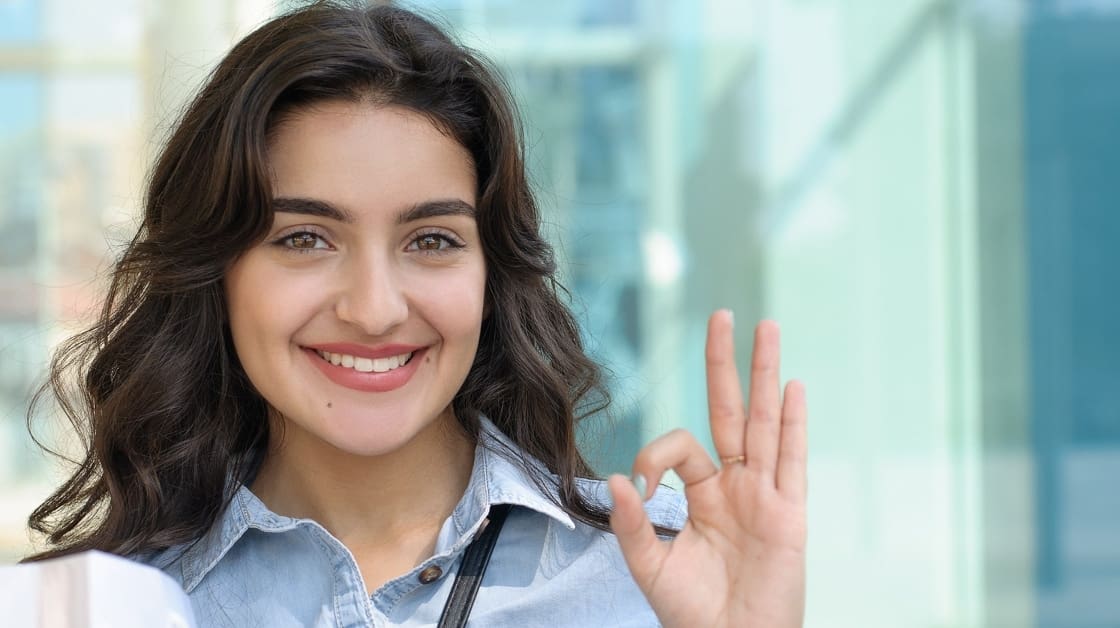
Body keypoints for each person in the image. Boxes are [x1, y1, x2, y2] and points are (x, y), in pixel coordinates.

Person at [24, 2, 807, 626]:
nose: (373, 309)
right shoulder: (105, 608)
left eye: (431, 239)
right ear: (218, 272)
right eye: (304, 237)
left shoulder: (655, 578)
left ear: (491, 273)